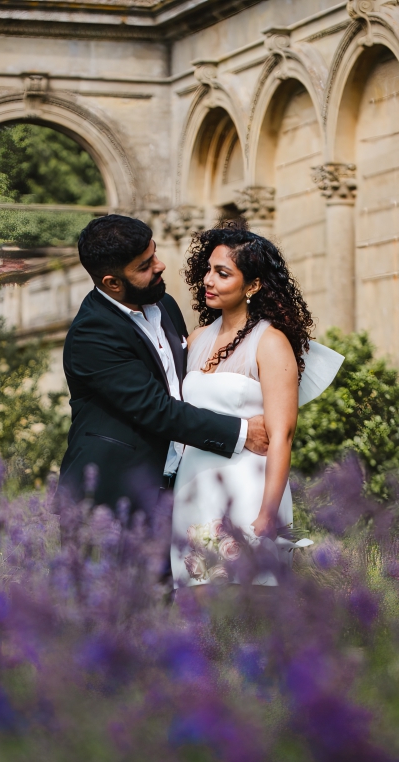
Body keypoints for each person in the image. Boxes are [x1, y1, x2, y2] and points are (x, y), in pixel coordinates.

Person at [58, 213, 271, 529]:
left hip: (176, 489)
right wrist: (241, 432)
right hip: (110, 499)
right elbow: (156, 409)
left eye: (153, 253)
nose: (159, 265)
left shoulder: (165, 305)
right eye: (144, 266)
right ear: (112, 283)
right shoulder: (92, 334)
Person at [170, 226, 340, 585]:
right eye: (208, 269)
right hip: (193, 488)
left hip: (247, 490)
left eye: (223, 273)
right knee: (195, 611)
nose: (209, 281)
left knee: (245, 608)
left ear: (253, 286)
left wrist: (267, 514)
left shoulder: (271, 342)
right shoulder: (197, 339)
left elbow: (282, 436)